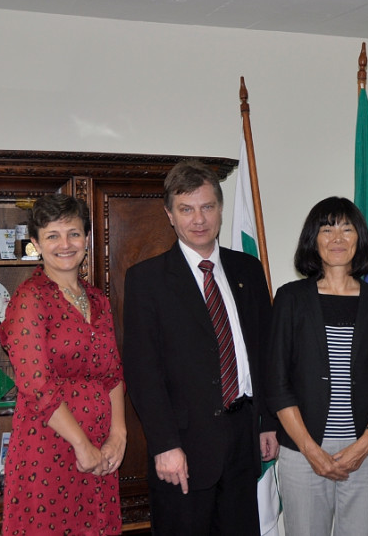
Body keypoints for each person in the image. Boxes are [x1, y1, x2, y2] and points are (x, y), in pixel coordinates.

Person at [123, 160, 279, 535]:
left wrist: (268, 423)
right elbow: (143, 373)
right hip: (183, 448)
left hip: (243, 439)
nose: (199, 219)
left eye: (207, 207)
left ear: (220, 209)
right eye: (186, 209)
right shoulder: (147, 280)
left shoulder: (248, 270)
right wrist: (165, 445)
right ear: (170, 215)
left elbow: (264, 353)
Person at [266, 196, 368, 536]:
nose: (337, 238)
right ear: (313, 239)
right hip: (302, 450)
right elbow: (277, 384)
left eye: (346, 229)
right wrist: (311, 450)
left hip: (364, 451)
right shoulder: (290, 298)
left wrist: (366, 443)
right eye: (327, 229)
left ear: (359, 238)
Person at [0, 194, 126, 535]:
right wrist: (81, 445)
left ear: (86, 238)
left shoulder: (97, 299)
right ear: (36, 243)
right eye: (52, 235)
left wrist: (118, 434)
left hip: (100, 446)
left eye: (73, 233)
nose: (65, 244)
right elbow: (36, 386)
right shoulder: (30, 299)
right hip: (50, 444)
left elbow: (113, 374)